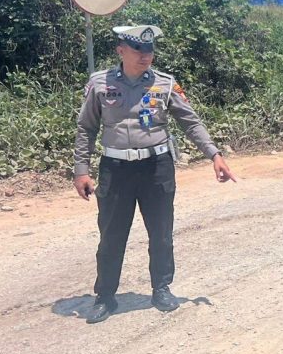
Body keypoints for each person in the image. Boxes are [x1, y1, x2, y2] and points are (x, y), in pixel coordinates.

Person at [73, 25, 237, 324]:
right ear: (121, 51)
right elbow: (86, 128)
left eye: (149, 50)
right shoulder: (100, 83)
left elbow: (191, 122)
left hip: (156, 167)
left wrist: (215, 155)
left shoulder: (165, 84)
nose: (145, 55)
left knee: (160, 232)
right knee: (111, 236)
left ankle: (161, 288)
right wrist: (81, 170)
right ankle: (105, 296)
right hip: (115, 169)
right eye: (138, 50)